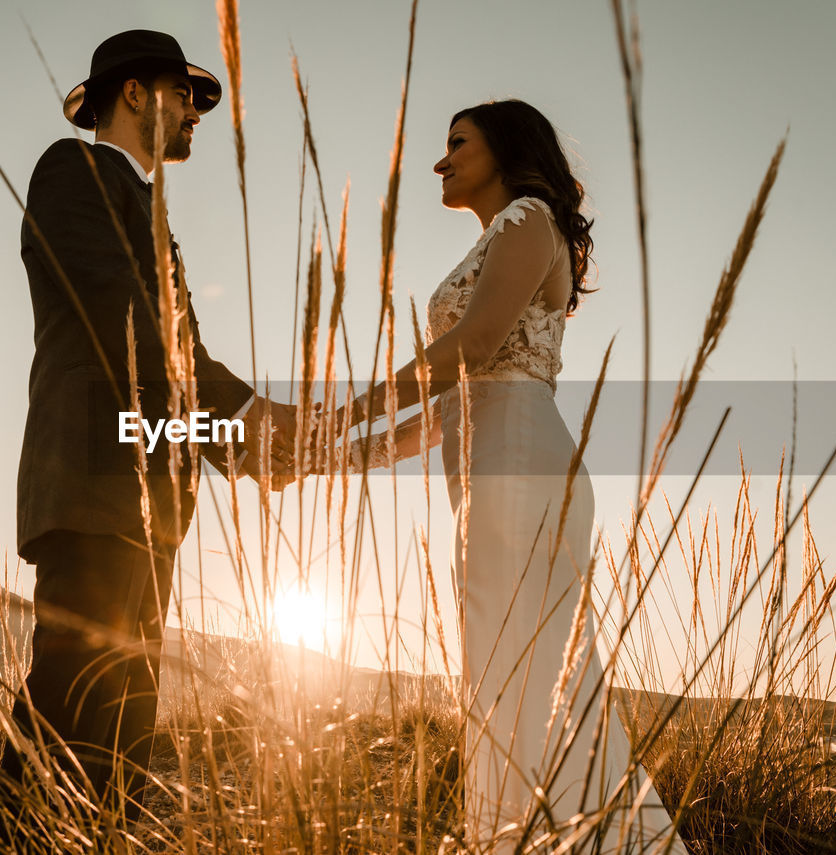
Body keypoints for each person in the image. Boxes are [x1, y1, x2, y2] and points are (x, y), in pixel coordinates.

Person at [326, 100, 688, 852]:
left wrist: (345, 411)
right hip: (488, 463)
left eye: (458, 142)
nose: (442, 159)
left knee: (528, 676)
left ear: (506, 148)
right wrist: (345, 452)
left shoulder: (527, 219)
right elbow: (458, 397)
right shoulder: (501, 235)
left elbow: (477, 342)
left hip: (519, 463)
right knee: (504, 675)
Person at [5, 29, 295, 824]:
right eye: (186, 95)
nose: (198, 114)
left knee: (124, 722)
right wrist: (250, 415)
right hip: (96, 480)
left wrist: (250, 441)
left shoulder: (148, 210)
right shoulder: (72, 172)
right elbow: (128, 322)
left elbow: (178, 356)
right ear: (134, 93)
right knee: (73, 702)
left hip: (151, 494)